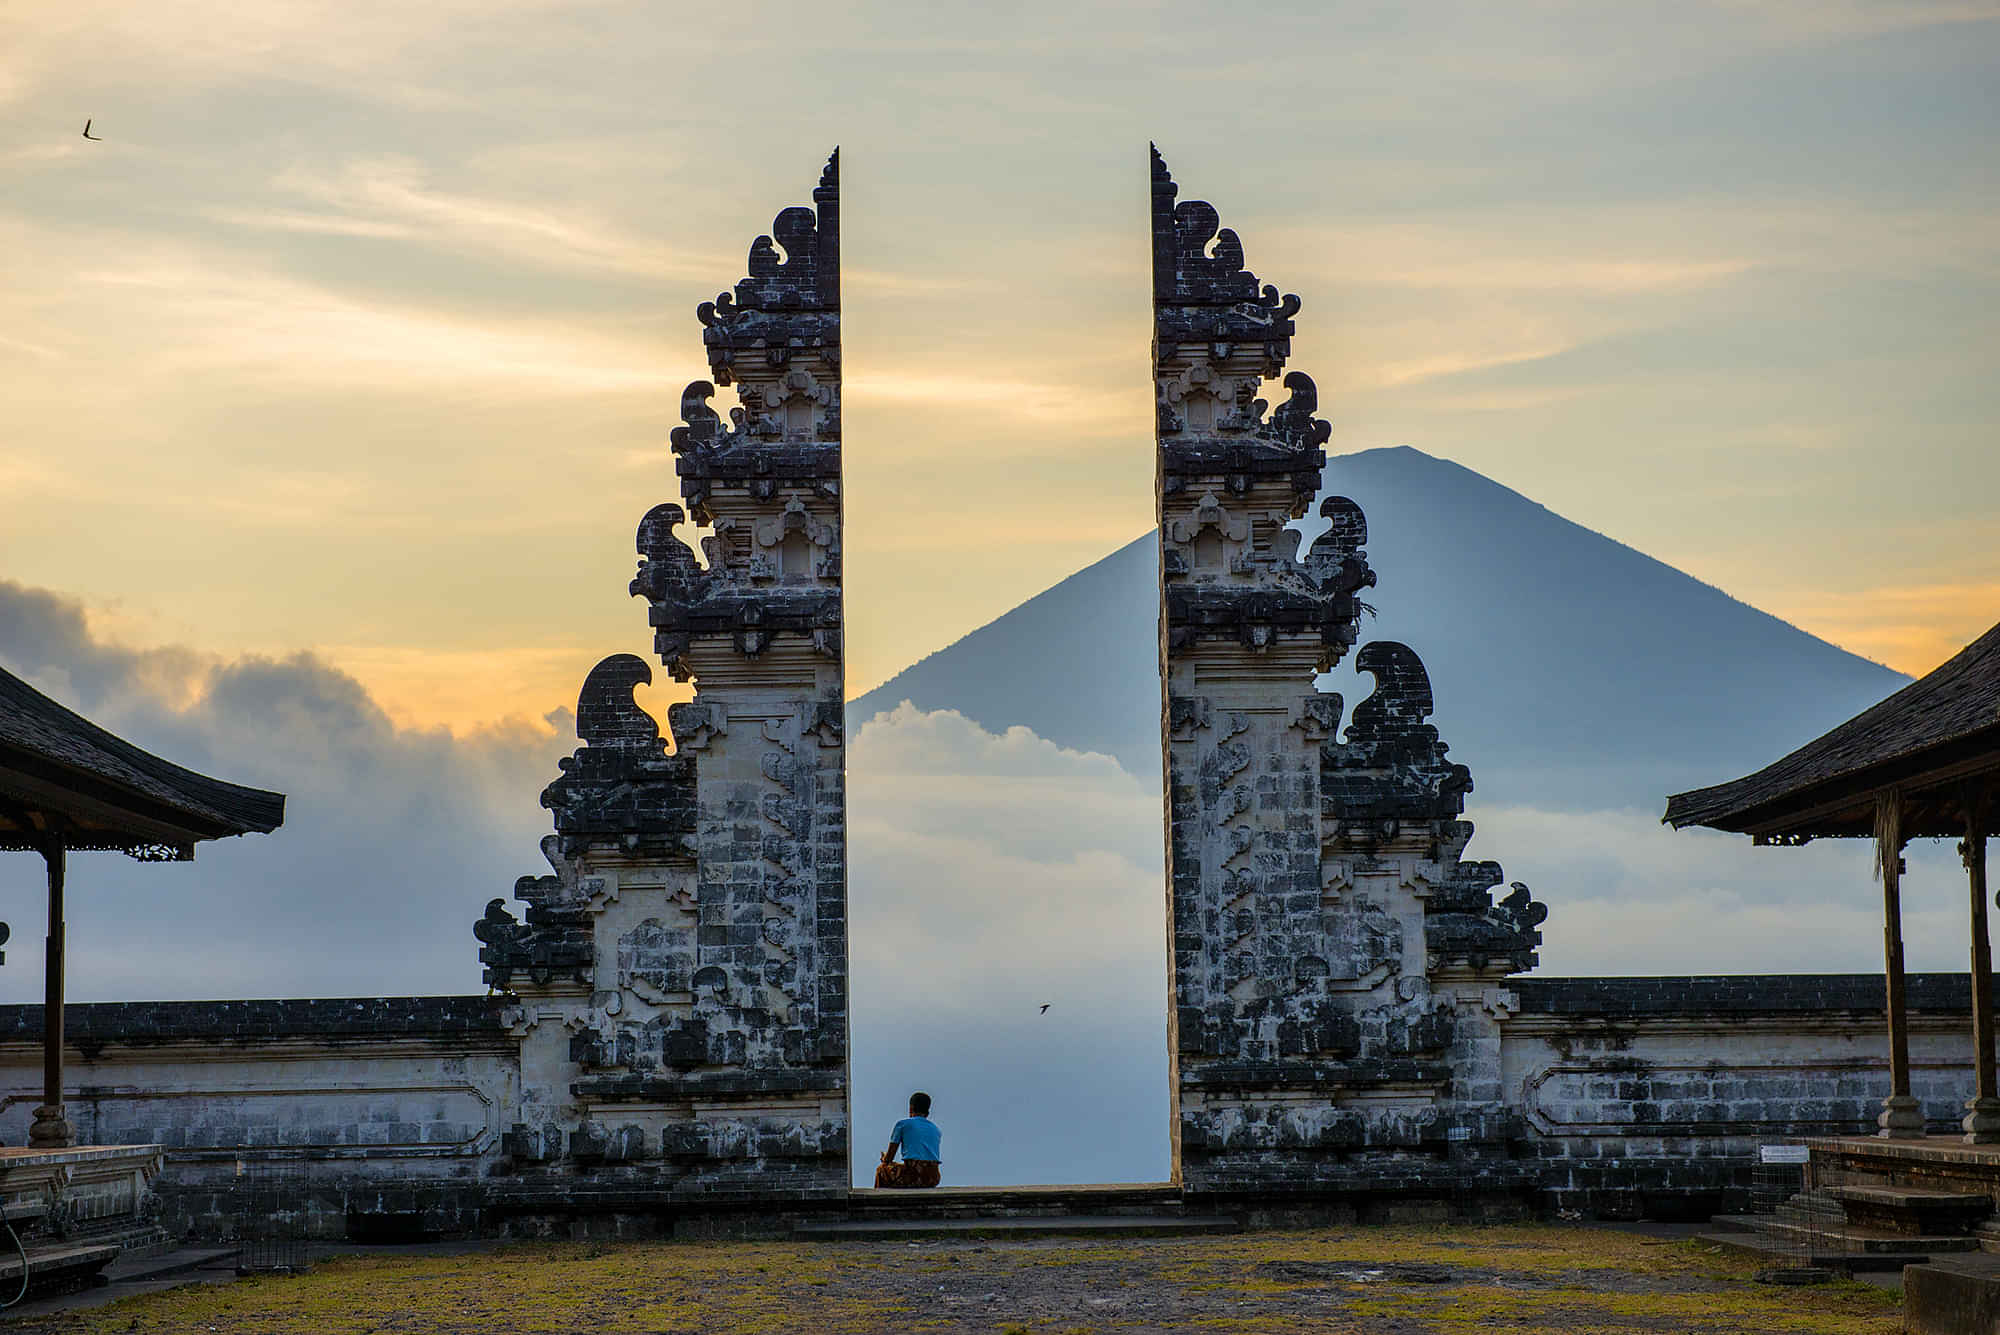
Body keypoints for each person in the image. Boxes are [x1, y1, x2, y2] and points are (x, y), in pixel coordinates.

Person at [874, 1091, 942, 1189]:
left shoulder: (902, 1124)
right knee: (898, 1168)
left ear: (910, 1108)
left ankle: (878, 1203)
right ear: (927, 1113)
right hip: (932, 1178)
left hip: (913, 1176)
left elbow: (889, 1158)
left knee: (881, 1170)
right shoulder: (936, 1130)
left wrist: (884, 1158)